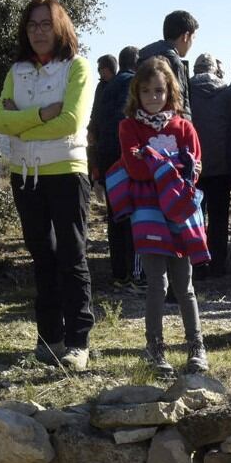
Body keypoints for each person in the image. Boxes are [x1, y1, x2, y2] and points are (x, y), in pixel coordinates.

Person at [0, 0, 99, 372]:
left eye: (45, 24)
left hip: (67, 173)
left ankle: (78, 342)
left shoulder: (78, 69)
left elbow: (71, 122)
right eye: (32, 24)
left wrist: (20, 121)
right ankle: (49, 338)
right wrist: (39, 115)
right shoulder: (16, 71)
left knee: (71, 256)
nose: (38, 31)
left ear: (60, 28)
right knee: (42, 258)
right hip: (25, 176)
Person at [116, 60, 210, 377]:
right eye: (146, 91)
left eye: (159, 90)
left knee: (184, 285)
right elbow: (134, 167)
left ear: (170, 90)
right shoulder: (129, 126)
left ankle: (196, 348)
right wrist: (170, 165)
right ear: (136, 93)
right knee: (156, 283)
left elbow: (194, 168)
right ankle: (155, 350)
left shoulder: (184, 126)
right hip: (148, 216)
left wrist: (153, 159)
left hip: (180, 213)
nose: (153, 97)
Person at [89, 45, 139, 286]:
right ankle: (134, 272)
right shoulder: (134, 84)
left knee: (115, 214)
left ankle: (118, 272)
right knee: (133, 215)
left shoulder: (105, 88)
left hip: (107, 159)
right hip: (126, 159)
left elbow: (95, 122)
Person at [189, 53, 231, 276]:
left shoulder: (187, 90)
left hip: (195, 165)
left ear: (196, 69)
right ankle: (218, 264)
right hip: (221, 165)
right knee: (219, 217)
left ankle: (197, 265)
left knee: (195, 217)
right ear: (214, 70)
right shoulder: (227, 92)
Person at [140, 10, 198, 115]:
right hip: (168, 127)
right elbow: (178, 104)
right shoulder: (173, 62)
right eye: (193, 38)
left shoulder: (142, 57)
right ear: (185, 36)